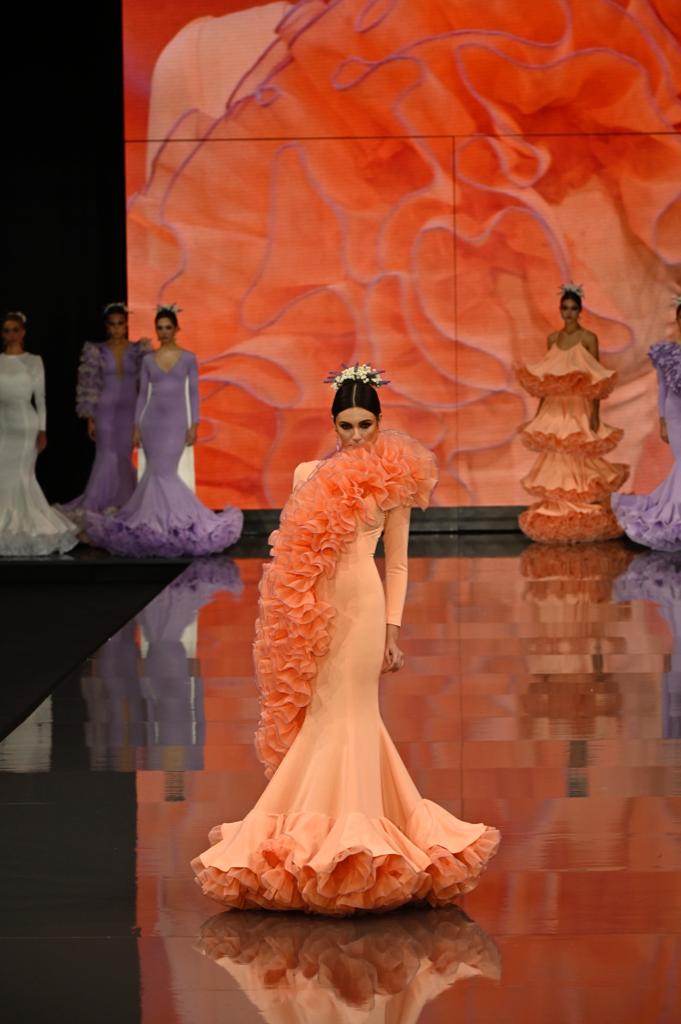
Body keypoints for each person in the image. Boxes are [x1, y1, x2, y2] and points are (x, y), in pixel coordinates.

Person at [191, 363, 500, 914]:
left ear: (379, 424)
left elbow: (399, 565)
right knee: (322, 716)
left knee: (354, 715)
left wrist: (393, 632)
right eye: (346, 426)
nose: (356, 436)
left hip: (363, 604)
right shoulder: (306, 474)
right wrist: (293, 623)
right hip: (317, 611)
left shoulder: (393, 482)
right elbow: (292, 558)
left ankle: (356, 845)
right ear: (333, 426)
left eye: (365, 425)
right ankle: (325, 842)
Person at [85, 305, 243, 556]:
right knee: (153, 474)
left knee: (165, 474)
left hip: (176, 424)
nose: (164, 332)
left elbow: (193, 393)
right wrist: (136, 427)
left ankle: (180, 521)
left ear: (177, 329)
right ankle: (158, 524)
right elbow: (142, 397)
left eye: (168, 327)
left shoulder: (189, 358)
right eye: (160, 328)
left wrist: (194, 425)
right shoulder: (148, 360)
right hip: (151, 423)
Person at [517, 284, 628, 543]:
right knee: (557, 462)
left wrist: (595, 414)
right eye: (565, 308)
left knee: (578, 461)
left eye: (573, 308)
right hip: (555, 409)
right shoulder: (553, 340)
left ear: (580, 311)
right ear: (560, 311)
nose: (569, 313)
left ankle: (581, 512)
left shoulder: (589, 339)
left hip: (579, 407)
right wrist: (539, 414)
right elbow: (546, 379)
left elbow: (596, 380)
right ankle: (560, 513)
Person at [61, 303, 152, 523]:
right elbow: (89, 384)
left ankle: (125, 503)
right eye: (112, 325)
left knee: (123, 455)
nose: (116, 328)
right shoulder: (96, 350)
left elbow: (147, 383)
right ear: (106, 326)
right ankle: (97, 504)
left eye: (120, 324)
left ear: (126, 324)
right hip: (105, 409)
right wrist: (89, 419)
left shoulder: (138, 350)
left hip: (130, 410)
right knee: (105, 454)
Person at [0, 312, 78, 557]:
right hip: (3, 423)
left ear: (23, 332)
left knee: (22, 475)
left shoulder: (34, 361)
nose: (11, 334)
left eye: (15, 329)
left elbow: (40, 398)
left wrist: (43, 430)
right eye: (7, 330)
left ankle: (28, 526)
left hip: (25, 423)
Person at [612, 297, 681, 549]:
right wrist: (662, 419)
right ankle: (671, 519)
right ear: (678, 320)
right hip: (675, 414)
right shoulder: (667, 352)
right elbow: (662, 387)